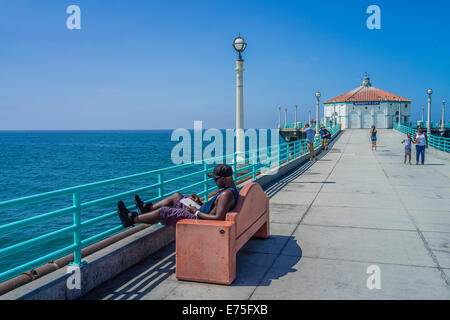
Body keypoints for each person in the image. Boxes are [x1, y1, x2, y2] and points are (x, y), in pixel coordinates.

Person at [116, 164, 239, 228]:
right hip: (201, 212)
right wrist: (200, 204)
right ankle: (147, 210)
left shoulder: (226, 194)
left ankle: (131, 220)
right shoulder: (228, 191)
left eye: (216, 179)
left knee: (164, 212)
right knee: (177, 196)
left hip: (200, 219)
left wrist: (196, 211)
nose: (215, 181)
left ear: (223, 178)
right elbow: (215, 208)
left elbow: (217, 218)